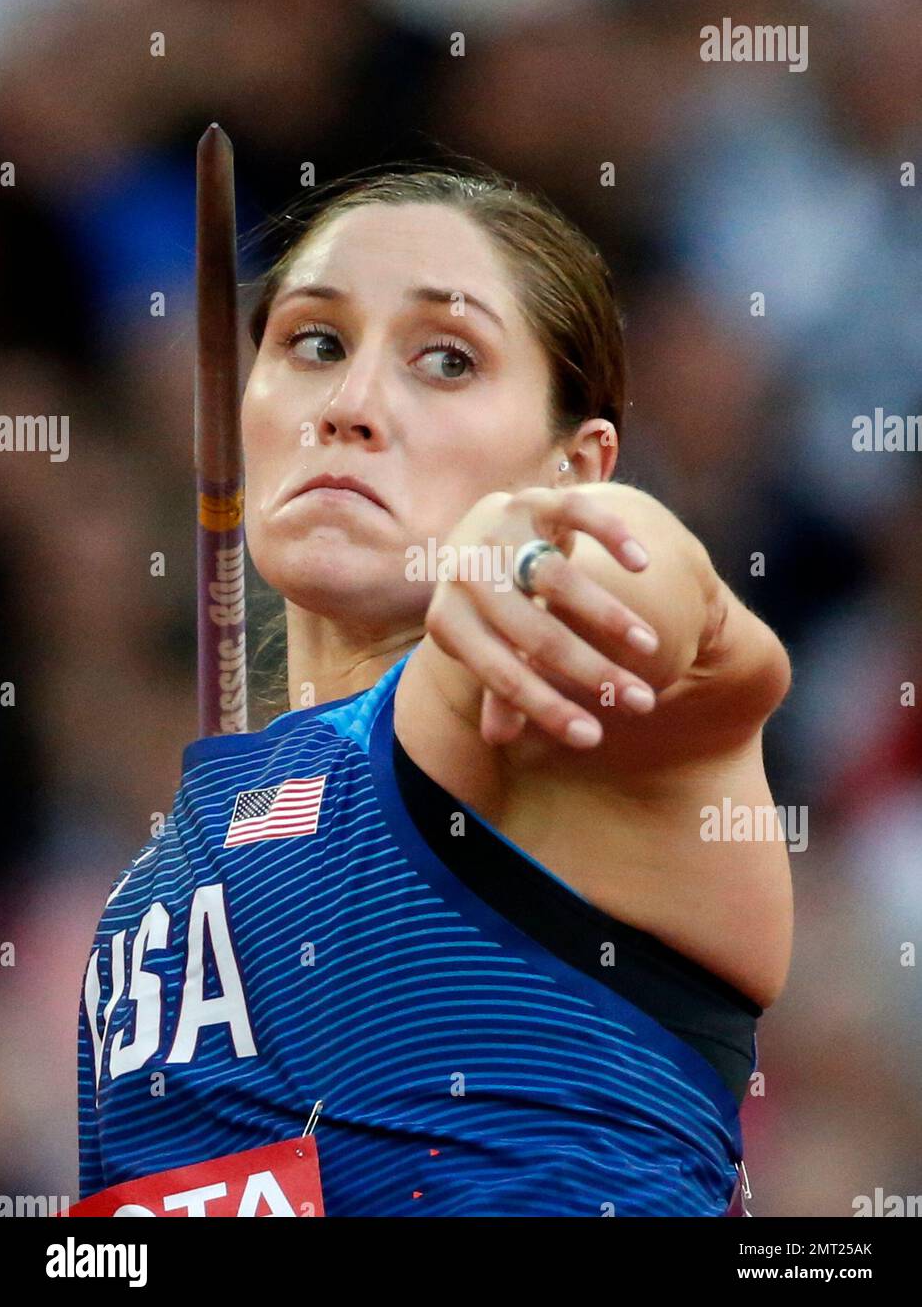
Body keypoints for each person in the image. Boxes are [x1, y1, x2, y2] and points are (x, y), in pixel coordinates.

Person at [76, 166, 792, 1216]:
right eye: (313, 344)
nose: (350, 404)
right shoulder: (153, 883)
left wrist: (546, 555)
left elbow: (686, 630)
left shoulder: (526, 721)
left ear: (577, 465)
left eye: (445, 360)